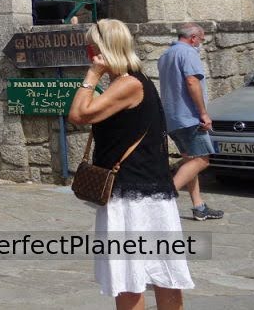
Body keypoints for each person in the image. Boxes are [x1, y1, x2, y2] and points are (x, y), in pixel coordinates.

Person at [68, 20, 193, 309]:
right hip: (147, 191)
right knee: (161, 271)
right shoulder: (132, 81)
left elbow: (79, 114)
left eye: (92, 47)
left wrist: (91, 75)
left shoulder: (128, 84)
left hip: (132, 197)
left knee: (130, 277)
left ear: (104, 49)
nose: (89, 53)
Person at [158, 24, 224, 221]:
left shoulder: (165, 56)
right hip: (188, 117)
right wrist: (203, 113)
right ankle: (162, 198)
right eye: (201, 40)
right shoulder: (188, 53)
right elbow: (191, 82)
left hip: (172, 118)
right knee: (202, 159)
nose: (201, 44)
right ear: (194, 38)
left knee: (190, 161)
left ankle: (199, 206)